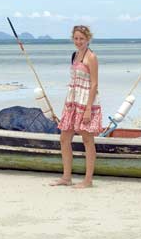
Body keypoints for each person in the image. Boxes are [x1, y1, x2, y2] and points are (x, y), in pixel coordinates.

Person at [50, 25, 103, 188]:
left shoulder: (91, 57)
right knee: (64, 138)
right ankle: (66, 177)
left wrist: (88, 109)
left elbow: (94, 84)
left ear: (88, 39)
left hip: (86, 101)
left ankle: (88, 180)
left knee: (87, 140)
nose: (78, 42)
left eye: (82, 38)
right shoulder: (74, 55)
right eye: (76, 38)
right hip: (72, 100)